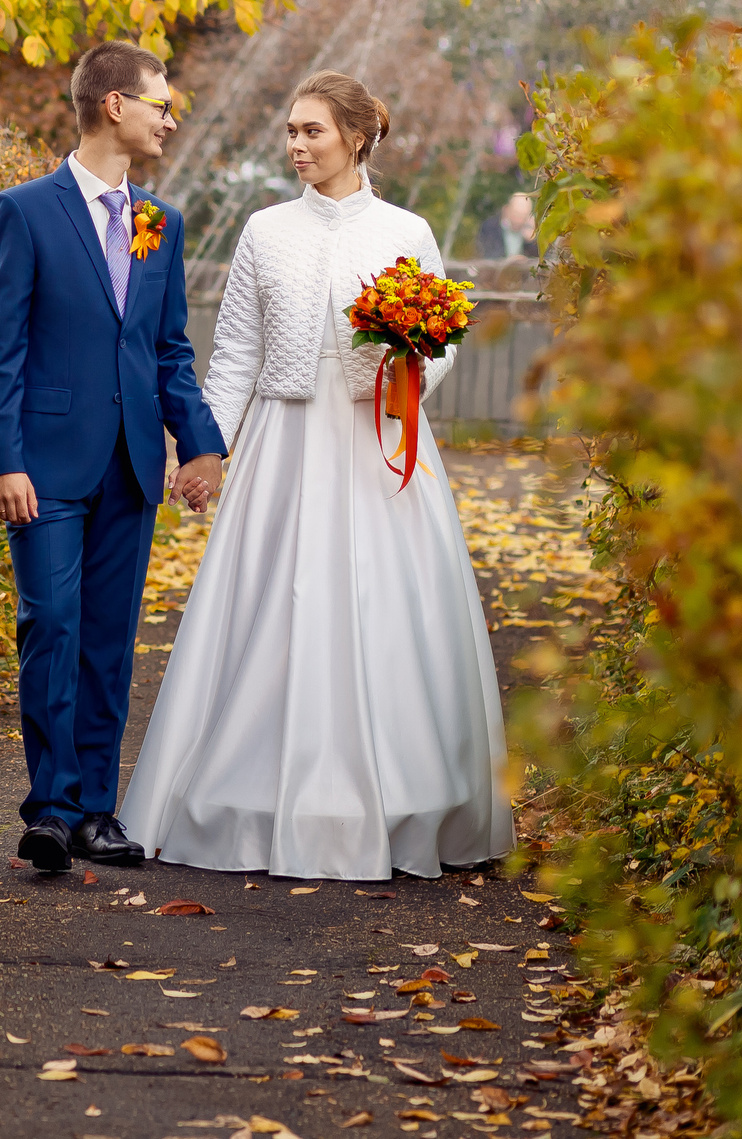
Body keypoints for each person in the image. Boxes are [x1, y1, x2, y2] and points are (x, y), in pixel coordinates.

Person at [115, 71, 513, 880]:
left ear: (357, 137)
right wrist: (206, 448)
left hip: (380, 449)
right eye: (291, 132)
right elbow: (234, 357)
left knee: (387, 612)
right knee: (272, 609)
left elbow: (445, 340)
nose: (296, 146)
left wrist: (405, 380)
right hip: (286, 451)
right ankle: (247, 790)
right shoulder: (264, 231)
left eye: (312, 132)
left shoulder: (408, 228)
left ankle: (405, 796)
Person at [0, 41, 228, 874]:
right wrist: (2, 457)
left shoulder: (160, 221)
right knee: (50, 622)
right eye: (161, 101)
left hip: (129, 466)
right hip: (42, 465)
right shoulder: (23, 210)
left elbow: (167, 348)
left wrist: (200, 444)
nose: (169, 117)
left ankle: (93, 812)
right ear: (115, 104)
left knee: (109, 640)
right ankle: (48, 809)